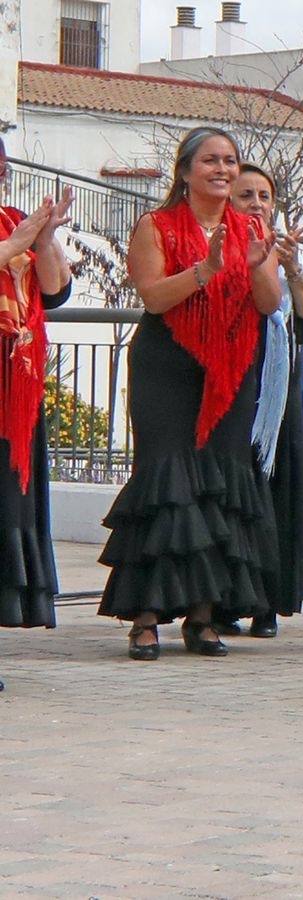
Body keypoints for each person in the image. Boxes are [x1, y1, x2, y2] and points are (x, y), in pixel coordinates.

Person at [98, 126, 283, 660]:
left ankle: (203, 616)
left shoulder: (251, 228)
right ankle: (146, 617)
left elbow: (269, 304)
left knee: (218, 486)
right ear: (185, 172)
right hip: (168, 366)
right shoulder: (156, 225)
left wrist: (256, 266)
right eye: (210, 160)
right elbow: (154, 297)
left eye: (230, 160)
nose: (223, 169)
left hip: (230, 368)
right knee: (168, 483)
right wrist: (204, 270)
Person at [214, 163, 303, 640]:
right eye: (246, 194)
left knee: (276, 495)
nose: (257, 203)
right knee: (231, 496)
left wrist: (294, 267)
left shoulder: (286, 256)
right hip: (231, 390)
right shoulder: (220, 249)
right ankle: (224, 600)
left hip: (278, 398)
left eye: (264, 195)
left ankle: (267, 603)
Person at [0, 137, 75, 689]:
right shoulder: (11, 232)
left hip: (14, 391)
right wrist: (11, 247)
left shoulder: (12, 218)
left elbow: (54, 291)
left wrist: (43, 241)